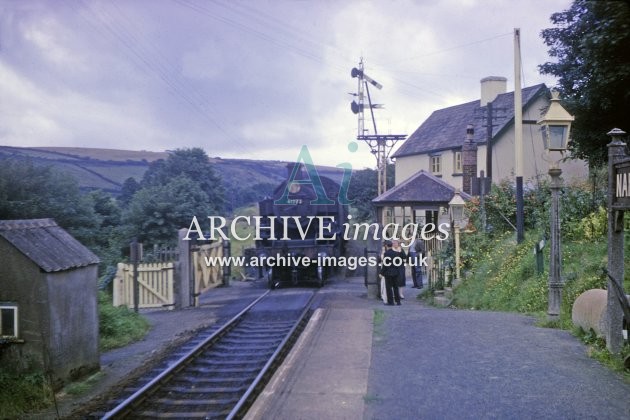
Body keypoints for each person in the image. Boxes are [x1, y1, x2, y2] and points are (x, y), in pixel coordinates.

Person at [380, 240, 402, 305]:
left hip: (388, 273)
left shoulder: (386, 254)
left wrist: (381, 272)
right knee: (395, 287)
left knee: (389, 288)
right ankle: (398, 301)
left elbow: (385, 264)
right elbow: (398, 263)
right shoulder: (396, 253)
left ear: (386, 246)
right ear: (392, 245)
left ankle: (391, 302)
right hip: (395, 272)